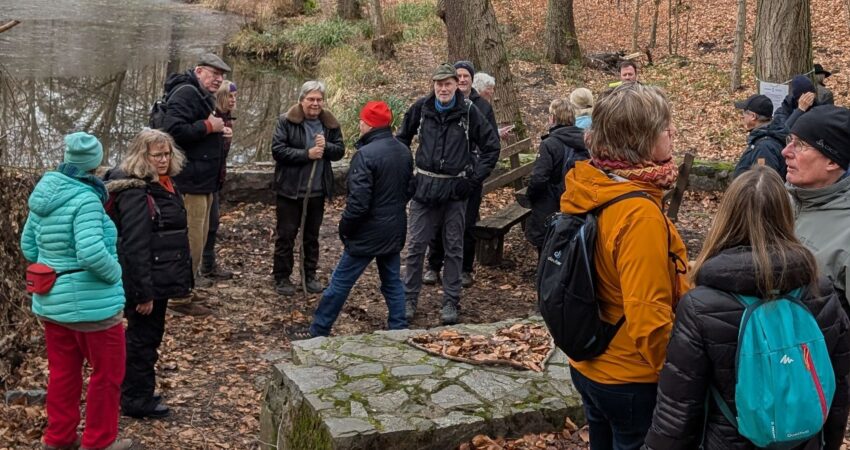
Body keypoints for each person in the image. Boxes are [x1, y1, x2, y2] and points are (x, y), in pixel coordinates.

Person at [643, 166, 850, 449]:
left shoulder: (700, 306)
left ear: (726, 218)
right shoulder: (822, 292)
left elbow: (678, 410)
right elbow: (838, 389)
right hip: (805, 440)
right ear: (786, 216)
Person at [559, 83, 690, 449]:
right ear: (641, 140)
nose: (673, 131)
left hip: (589, 364)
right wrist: (681, 381)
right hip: (630, 377)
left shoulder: (591, 183)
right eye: (665, 127)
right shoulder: (638, 215)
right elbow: (648, 318)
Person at [21, 132, 132, 450]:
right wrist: (116, 274)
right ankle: (98, 442)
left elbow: (29, 247)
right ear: (95, 164)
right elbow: (91, 253)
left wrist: (55, 263)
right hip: (93, 306)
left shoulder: (45, 193)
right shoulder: (86, 199)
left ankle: (58, 439)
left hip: (52, 303)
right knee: (107, 375)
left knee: (63, 373)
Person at [290, 101, 413, 339]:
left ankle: (318, 330)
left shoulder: (365, 155)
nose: (359, 124)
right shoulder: (403, 151)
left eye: (362, 120)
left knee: (340, 282)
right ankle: (399, 328)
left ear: (369, 124)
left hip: (367, 232)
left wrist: (345, 228)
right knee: (392, 281)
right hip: (394, 227)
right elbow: (410, 188)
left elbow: (358, 203)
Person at [396, 63, 500, 325]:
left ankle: (451, 301)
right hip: (424, 189)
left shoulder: (469, 111)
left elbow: (491, 147)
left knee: (454, 247)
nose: (443, 89)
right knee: (416, 246)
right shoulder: (421, 108)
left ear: (456, 85)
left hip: (455, 191)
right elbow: (401, 139)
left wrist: (473, 180)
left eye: (448, 84)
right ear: (433, 85)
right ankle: (408, 298)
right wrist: (408, 174)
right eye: (439, 84)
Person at [104, 129, 192, 420]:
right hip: (146, 280)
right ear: (143, 156)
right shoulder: (136, 191)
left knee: (148, 338)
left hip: (160, 275)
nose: (163, 159)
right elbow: (135, 245)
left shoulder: (163, 183)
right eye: (157, 155)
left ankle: (138, 392)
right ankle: (136, 400)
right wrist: (144, 293)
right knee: (142, 341)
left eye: (167, 154)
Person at [161, 53, 231, 316]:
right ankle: (178, 297)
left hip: (202, 181)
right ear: (199, 71)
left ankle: (186, 287)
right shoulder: (187, 93)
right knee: (190, 241)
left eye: (221, 76)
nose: (218, 79)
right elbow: (171, 131)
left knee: (198, 240)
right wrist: (208, 127)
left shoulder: (199, 94)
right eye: (214, 74)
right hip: (189, 182)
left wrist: (218, 131)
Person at [422, 60, 499, 290]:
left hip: (468, 177)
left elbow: (490, 143)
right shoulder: (434, 105)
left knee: (466, 223)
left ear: (471, 80)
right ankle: (433, 265)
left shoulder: (480, 107)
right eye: (460, 76)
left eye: (467, 76)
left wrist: (475, 175)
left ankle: (464, 269)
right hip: (440, 177)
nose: (463, 79)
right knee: (437, 223)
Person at [271, 80, 345, 296]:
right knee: (286, 236)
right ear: (301, 100)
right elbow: (278, 150)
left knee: (311, 237)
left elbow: (339, 151)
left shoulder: (330, 124)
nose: (315, 103)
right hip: (290, 190)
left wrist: (326, 147)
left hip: (317, 191)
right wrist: (307, 154)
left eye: (319, 100)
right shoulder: (286, 121)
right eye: (311, 99)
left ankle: (309, 275)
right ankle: (282, 277)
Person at [784, 105, 850, 315]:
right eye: (789, 140)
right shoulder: (782, 201)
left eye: (800, 145)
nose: (785, 152)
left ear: (832, 161)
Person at [525, 99, 589, 253]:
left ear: (552, 118)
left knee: (547, 252)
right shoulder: (586, 141)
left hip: (551, 207)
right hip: (579, 203)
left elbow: (539, 179)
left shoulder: (549, 144)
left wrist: (530, 197)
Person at [201, 80, 237, 280]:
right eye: (229, 96)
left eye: (234, 96)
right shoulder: (212, 117)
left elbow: (222, 156)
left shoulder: (227, 119)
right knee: (204, 224)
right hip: (204, 179)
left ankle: (208, 264)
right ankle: (200, 266)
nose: (233, 100)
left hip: (216, 179)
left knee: (213, 224)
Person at [732, 93, 787, 179]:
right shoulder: (764, 139)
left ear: (753, 116)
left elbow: (765, 181)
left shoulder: (764, 147)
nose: (742, 116)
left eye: (744, 112)